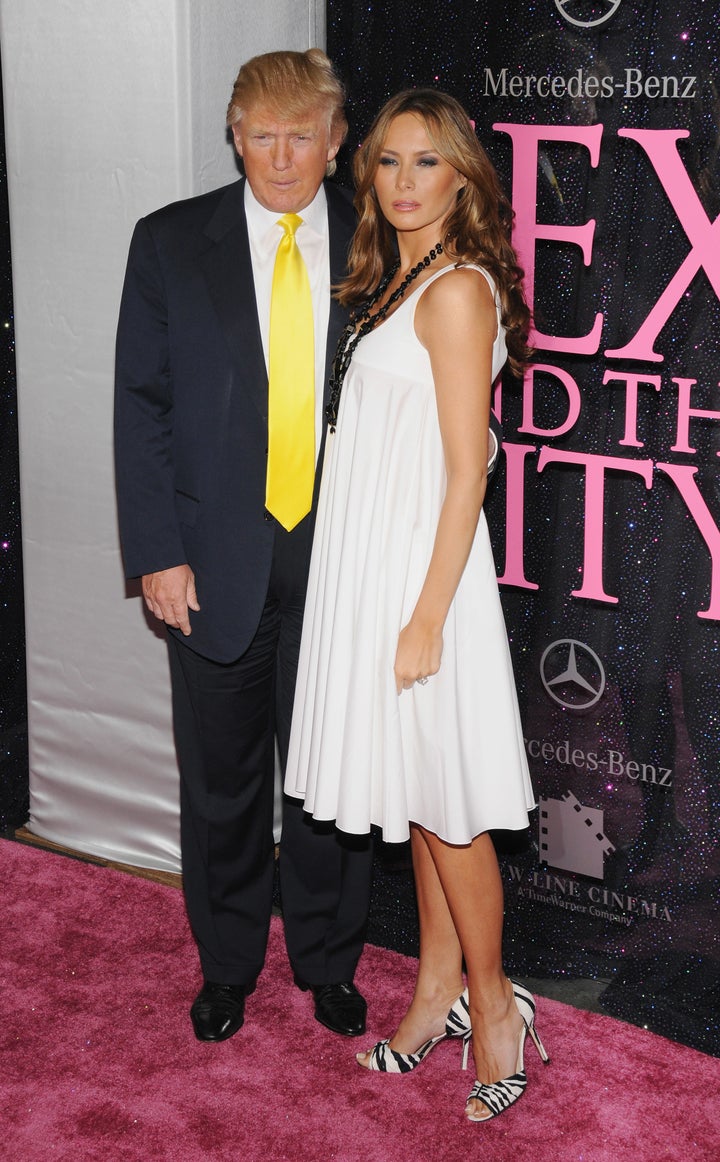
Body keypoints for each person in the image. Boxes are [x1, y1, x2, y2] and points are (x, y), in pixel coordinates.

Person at [285, 89, 545, 1121]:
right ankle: (435, 990)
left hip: (423, 580)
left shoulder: (455, 292)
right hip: (384, 571)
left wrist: (427, 614)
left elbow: (465, 471)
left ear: (463, 178)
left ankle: (494, 1007)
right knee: (424, 807)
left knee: (451, 812)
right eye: (388, 162)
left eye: (425, 163)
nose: (401, 181)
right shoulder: (404, 279)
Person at [114, 50, 373, 1044]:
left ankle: (329, 961)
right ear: (233, 134)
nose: (280, 156)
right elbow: (141, 407)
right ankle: (228, 966)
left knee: (328, 781)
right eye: (260, 134)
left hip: (342, 563)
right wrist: (156, 551)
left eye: (301, 134)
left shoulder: (376, 243)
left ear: (336, 140)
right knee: (220, 784)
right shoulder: (171, 243)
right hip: (210, 563)